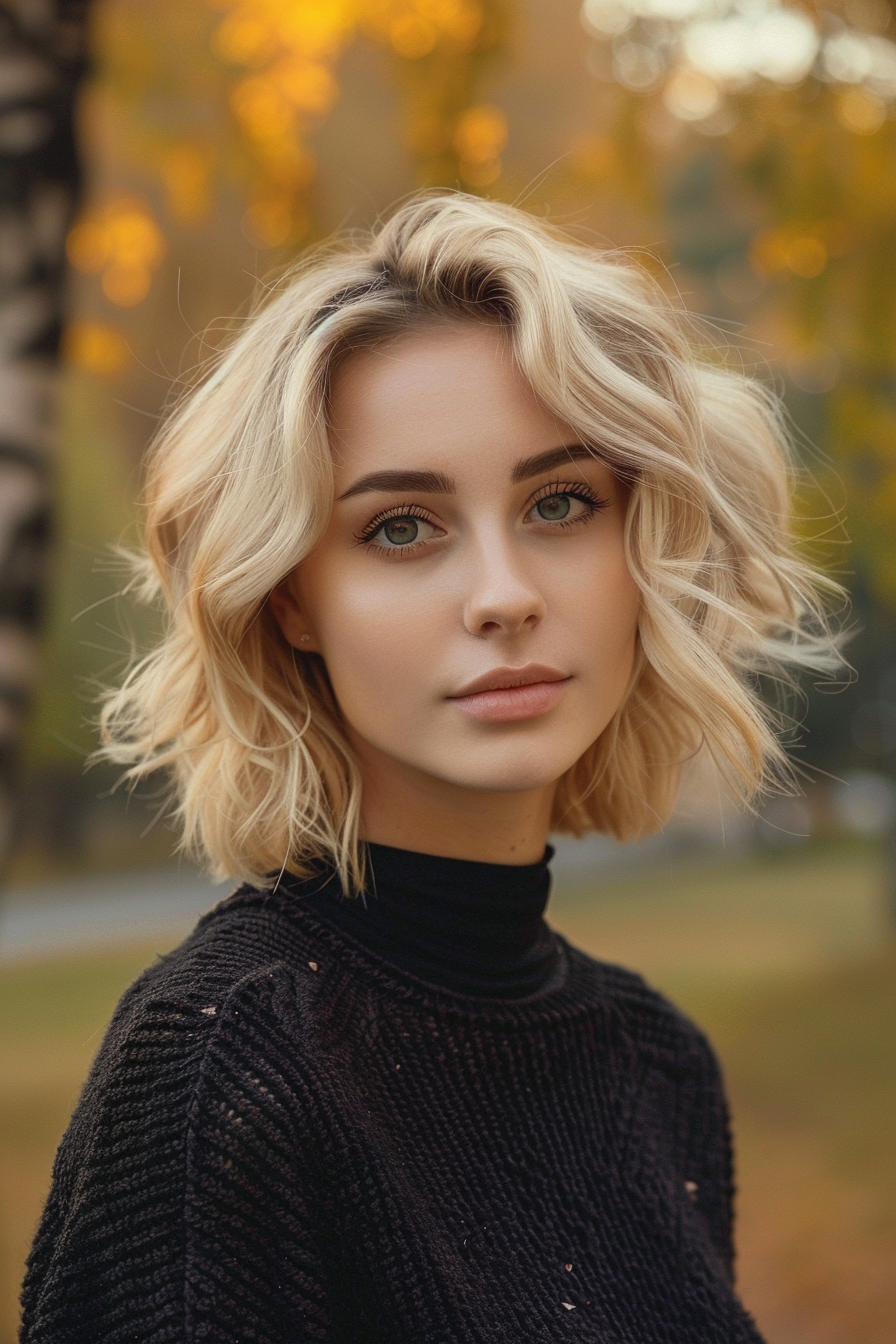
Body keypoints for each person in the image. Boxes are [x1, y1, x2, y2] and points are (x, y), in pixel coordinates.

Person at [21, 192, 842, 1343]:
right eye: (401, 527)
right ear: (294, 600)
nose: (504, 595)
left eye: (559, 503)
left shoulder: (656, 1061)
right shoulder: (223, 1068)